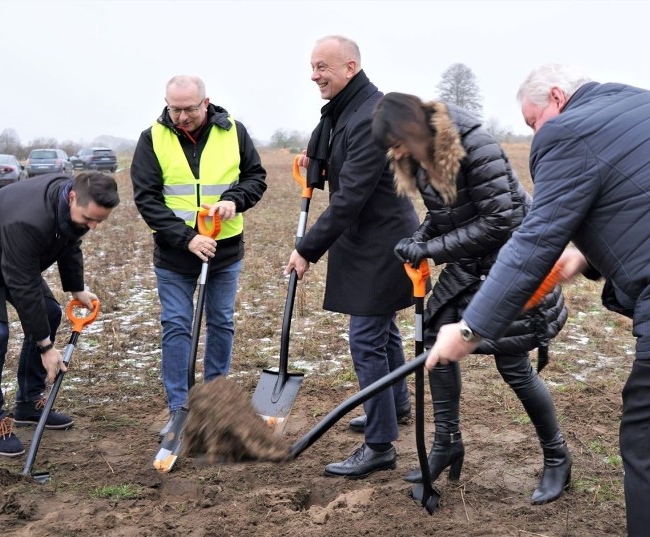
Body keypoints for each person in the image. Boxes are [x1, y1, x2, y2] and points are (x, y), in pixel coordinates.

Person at [426, 64, 650, 536]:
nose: (535, 133)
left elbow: (534, 240)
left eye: (532, 121)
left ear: (558, 98)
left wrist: (470, 328)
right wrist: (586, 252)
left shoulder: (566, 131)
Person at [371, 92, 571, 504]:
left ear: (413, 129)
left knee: (512, 361)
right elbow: (444, 215)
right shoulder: (421, 158)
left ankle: (557, 458)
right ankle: (447, 443)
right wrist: (420, 238)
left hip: (514, 261)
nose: (396, 153)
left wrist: (431, 251)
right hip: (471, 264)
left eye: (397, 143)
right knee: (434, 342)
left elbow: (500, 220)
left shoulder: (474, 145)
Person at [284, 35, 419, 479]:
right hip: (370, 238)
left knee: (366, 338)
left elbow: (350, 198)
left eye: (323, 66)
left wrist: (306, 249)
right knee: (382, 333)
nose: (314, 74)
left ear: (350, 66)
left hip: (380, 242)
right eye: (312, 66)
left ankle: (379, 445)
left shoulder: (371, 116)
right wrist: (314, 163)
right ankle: (393, 406)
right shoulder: (348, 108)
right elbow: (334, 157)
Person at [0, 171, 119, 457]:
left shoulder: (73, 200)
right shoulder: (28, 218)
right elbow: (22, 283)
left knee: (50, 312)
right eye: (88, 219)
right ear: (72, 198)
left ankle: (28, 404)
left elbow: (70, 239)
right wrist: (46, 346)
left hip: (6, 259)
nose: (92, 227)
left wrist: (76, 288)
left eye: (99, 221)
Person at [131, 75, 267, 439]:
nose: (181, 116)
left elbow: (256, 178)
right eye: (174, 108)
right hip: (176, 254)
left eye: (189, 108)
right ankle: (180, 408)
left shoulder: (233, 132)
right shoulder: (152, 138)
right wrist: (187, 238)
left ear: (206, 103)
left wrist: (234, 200)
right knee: (176, 325)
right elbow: (147, 199)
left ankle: (216, 403)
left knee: (220, 322)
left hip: (225, 250)